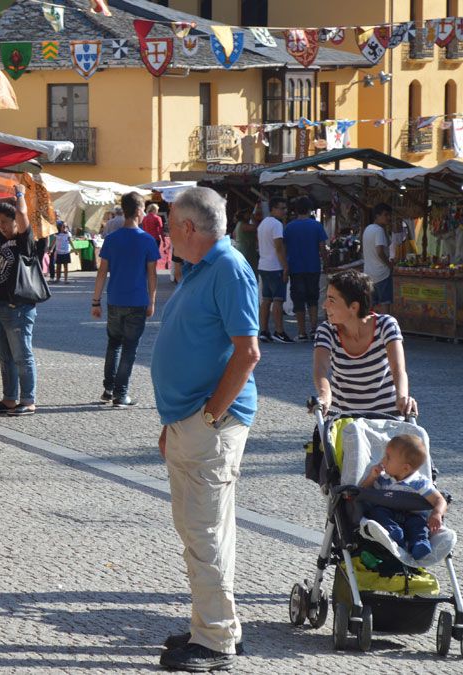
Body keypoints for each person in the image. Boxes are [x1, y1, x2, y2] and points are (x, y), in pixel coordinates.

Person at [151, 187, 260, 673]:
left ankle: (214, 641)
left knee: (205, 532)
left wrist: (210, 416)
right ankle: (212, 626)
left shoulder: (230, 269)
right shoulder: (201, 269)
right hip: (190, 423)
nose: (167, 235)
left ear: (188, 229)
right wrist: (174, 423)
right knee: (202, 531)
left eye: (170, 226)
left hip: (210, 424)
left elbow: (248, 353)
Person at [313, 270, 417, 417]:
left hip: (387, 417)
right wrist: (324, 396)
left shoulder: (386, 325)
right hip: (343, 419)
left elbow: (398, 368)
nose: (324, 305)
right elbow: (321, 369)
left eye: (331, 300)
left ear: (353, 307)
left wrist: (402, 397)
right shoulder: (326, 331)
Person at [92, 191, 159, 407]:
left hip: (115, 300)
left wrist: (95, 301)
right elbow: (152, 274)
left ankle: (108, 389)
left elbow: (102, 272)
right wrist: (152, 301)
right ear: (140, 211)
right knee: (130, 347)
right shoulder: (148, 240)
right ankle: (121, 394)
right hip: (138, 301)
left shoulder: (111, 239)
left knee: (113, 344)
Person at [0, 187, 39, 417]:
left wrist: (19, 199)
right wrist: (6, 200)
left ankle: (28, 399)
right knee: (4, 356)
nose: (2, 226)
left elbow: (23, 215)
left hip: (17, 306)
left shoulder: (23, 240)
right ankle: (9, 399)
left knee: (21, 355)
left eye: (6, 222)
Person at [358, 435, 447, 560]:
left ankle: (419, 544)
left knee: (420, 526)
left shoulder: (419, 483)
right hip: (388, 513)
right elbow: (363, 491)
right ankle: (394, 533)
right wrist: (372, 477)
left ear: (405, 468)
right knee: (376, 512)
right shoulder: (384, 478)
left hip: (412, 516)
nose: (383, 460)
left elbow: (440, 500)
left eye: (388, 458)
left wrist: (437, 513)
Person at [282, 196, 329, 341]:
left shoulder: (289, 227)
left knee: (298, 301)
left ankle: (302, 332)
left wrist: (285, 267)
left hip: (295, 268)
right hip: (313, 266)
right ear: (310, 210)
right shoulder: (316, 226)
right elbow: (322, 248)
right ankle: (314, 329)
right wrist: (326, 263)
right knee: (313, 299)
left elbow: (283, 248)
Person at [256, 196, 292, 344]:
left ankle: (263, 330)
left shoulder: (263, 223)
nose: (285, 211)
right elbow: (279, 247)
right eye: (281, 208)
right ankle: (279, 331)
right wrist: (285, 267)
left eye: (285, 208)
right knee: (278, 300)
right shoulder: (276, 225)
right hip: (275, 266)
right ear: (273, 209)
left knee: (266, 299)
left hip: (263, 265)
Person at [363, 203, 395, 315]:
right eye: (385, 215)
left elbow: (387, 244)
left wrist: (385, 228)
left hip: (369, 274)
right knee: (385, 305)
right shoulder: (378, 231)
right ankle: (386, 329)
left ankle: (373, 330)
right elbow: (380, 251)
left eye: (389, 215)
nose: (388, 218)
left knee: (372, 307)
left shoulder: (368, 229)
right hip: (382, 274)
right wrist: (389, 265)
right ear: (377, 216)